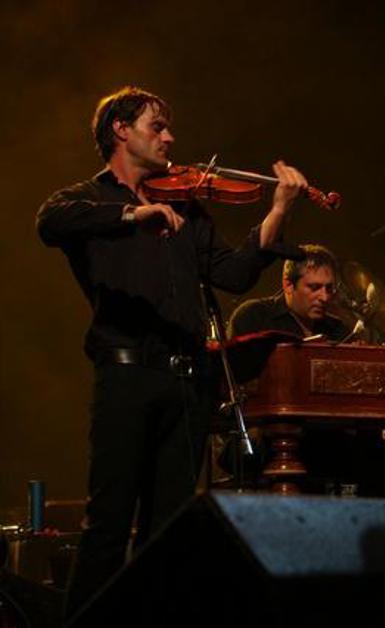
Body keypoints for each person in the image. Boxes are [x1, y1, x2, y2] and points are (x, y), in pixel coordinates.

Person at [36, 86, 308, 620]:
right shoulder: (89, 200)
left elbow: (233, 274)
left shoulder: (186, 205)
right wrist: (135, 216)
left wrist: (278, 210)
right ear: (121, 130)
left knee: (169, 534)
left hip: (187, 383)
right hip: (127, 377)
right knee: (109, 525)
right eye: (156, 126)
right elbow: (49, 222)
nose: (169, 137)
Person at [227, 244, 385, 498]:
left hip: (322, 435)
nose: (324, 297)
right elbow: (237, 382)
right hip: (265, 432)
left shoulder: (339, 329)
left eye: (329, 288)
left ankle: (366, 524)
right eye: (314, 287)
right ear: (288, 285)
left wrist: (353, 366)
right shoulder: (254, 316)